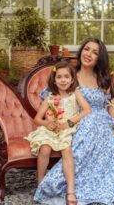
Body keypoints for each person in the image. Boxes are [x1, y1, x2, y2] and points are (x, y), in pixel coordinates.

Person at [34, 38, 114, 204]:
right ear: (81, 51)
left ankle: (102, 183)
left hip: (103, 122)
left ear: (99, 58)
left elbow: (110, 104)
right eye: (87, 49)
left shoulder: (103, 80)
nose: (89, 54)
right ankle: (64, 185)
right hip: (77, 120)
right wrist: (53, 121)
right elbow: (52, 98)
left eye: (95, 52)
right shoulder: (68, 74)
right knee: (89, 125)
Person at [25, 61, 91, 205]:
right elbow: (37, 119)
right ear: (54, 80)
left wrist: (70, 122)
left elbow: (87, 110)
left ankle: (70, 190)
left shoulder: (75, 93)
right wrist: (46, 123)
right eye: (59, 77)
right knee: (44, 149)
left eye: (66, 77)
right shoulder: (49, 97)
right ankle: (41, 183)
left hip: (67, 129)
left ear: (72, 79)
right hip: (51, 130)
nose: (63, 80)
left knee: (67, 150)